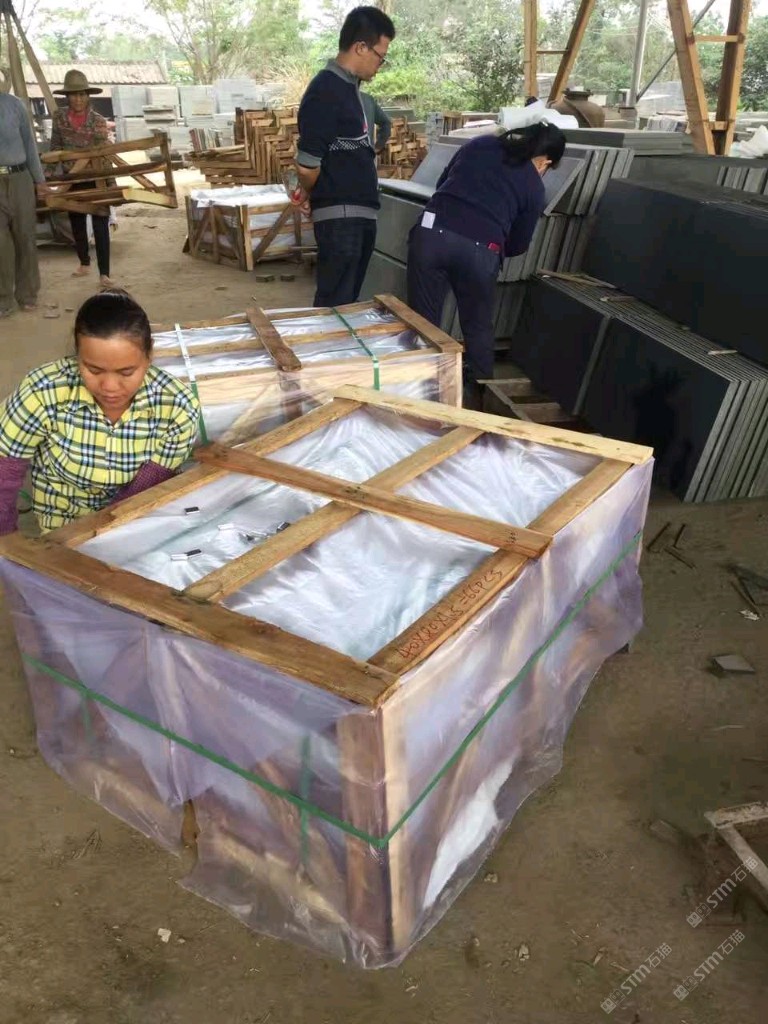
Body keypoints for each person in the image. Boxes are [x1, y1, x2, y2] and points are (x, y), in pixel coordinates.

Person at [0, 290, 200, 535]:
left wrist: (107, 536)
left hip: (131, 522)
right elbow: (4, 470)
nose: (110, 387)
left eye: (126, 372)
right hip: (60, 527)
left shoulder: (177, 407)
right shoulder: (43, 392)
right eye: (93, 370)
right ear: (78, 355)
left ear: (149, 356)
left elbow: (145, 490)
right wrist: (6, 541)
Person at [407, 122, 566, 405]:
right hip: (481, 252)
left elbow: (442, 183)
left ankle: (422, 390)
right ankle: (478, 396)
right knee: (477, 325)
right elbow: (519, 244)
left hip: (430, 235)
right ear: (545, 161)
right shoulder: (533, 186)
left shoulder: (479, 144)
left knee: (423, 320)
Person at [295, 6, 395, 307]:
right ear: (360, 47)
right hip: (341, 220)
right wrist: (311, 193)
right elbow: (307, 166)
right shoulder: (325, 90)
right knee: (334, 307)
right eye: (380, 56)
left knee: (346, 305)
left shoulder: (350, 89)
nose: (380, 65)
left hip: (356, 217)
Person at [49, 69, 114, 287]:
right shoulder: (59, 118)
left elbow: (99, 153)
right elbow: (55, 148)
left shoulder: (98, 121)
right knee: (76, 222)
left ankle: (104, 273)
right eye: (73, 95)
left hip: (95, 177)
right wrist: (47, 179)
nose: (78, 99)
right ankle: (84, 262)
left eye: (82, 94)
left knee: (100, 222)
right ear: (67, 97)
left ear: (88, 96)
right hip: (71, 180)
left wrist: (108, 181)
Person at [0, 68, 49, 317]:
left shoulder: (14, 105)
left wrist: (39, 181)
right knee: (1, 243)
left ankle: (28, 294)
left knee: (26, 237)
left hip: (20, 178)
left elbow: (30, 144)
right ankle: (4, 299)